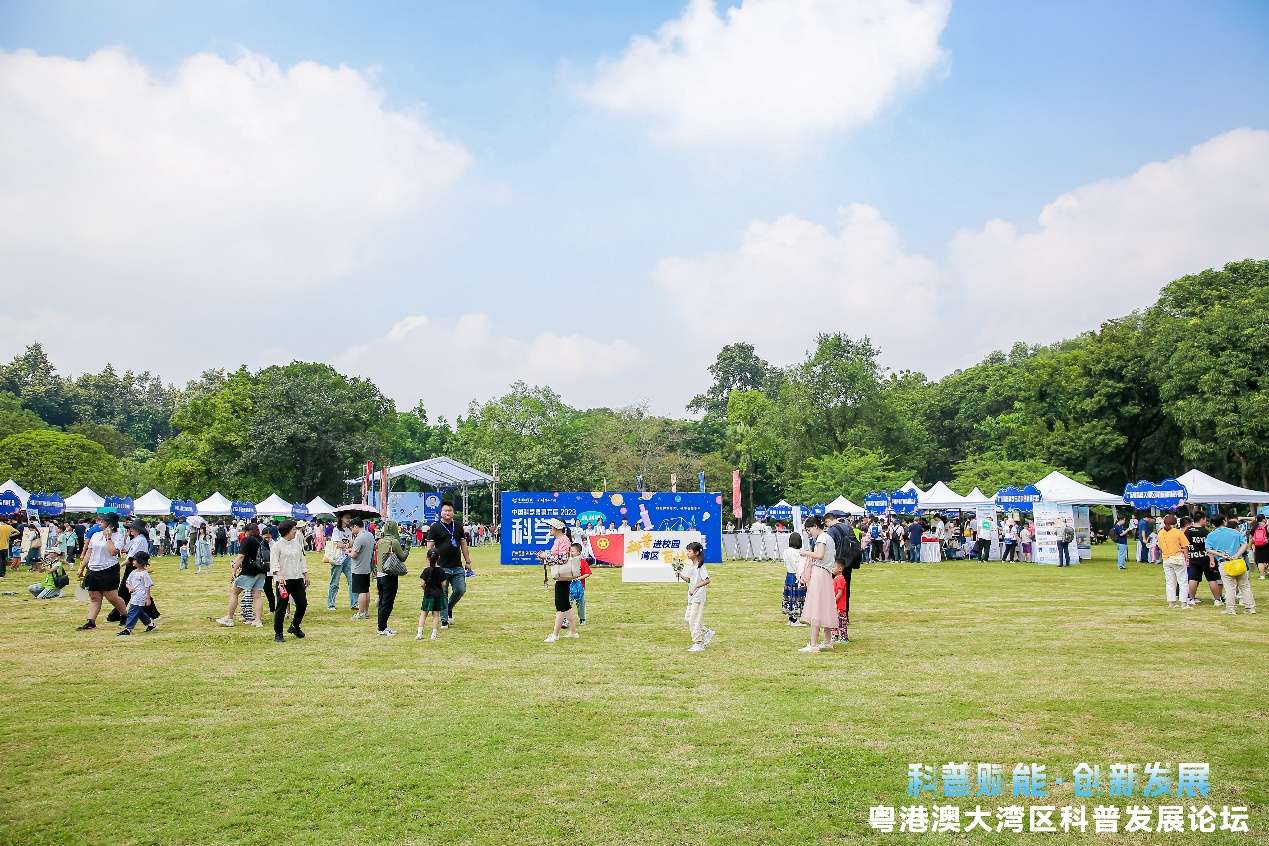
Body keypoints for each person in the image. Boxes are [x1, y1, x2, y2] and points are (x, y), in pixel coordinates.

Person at [76, 514, 128, 631]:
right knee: (94, 597)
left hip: (109, 569)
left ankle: (124, 615)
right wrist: (81, 567)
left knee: (112, 597)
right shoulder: (95, 535)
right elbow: (89, 552)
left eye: (102, 521)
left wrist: (108, 538)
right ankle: (91, 621)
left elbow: (113, 552)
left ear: (110, 524)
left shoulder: (118, 536)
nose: (100, 522)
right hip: (93, 569)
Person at [427, 502, 473, 629]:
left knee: (460, 590)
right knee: (443, 592)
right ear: (441, 512)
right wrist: (430, 566)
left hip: (457, 566)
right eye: (445, 510)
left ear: (453, 512)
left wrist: (468, 561)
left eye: (450, 510)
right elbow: (430, 547)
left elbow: (463, 544)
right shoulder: (435, 527)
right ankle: (444, 620)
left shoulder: (458, 526)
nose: (447, 513)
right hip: (441, 566)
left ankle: (448, 608)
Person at [797, 516, 837, 653]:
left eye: (809, 530)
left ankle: (813, 644)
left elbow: (819, 555)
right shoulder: (828, 537)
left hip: (819, 573)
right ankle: (827, 641)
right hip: (826, 573)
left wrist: (805, 553)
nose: (809, 533)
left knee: (816, 606)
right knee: (825, 606)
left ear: (815, 526)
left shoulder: (822, 538)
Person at [1207, 515, 1257, 615]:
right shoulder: (1235, 532)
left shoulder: (1211, 535)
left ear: (1213, 524)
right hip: (1238, 561)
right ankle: (1250, 608)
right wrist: (1237, 554)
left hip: (1224, 562)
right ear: (1224, 521)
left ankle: (1230, 609)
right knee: (1245, 586)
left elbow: (1208, 549)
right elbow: (1244, 544)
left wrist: (1220, 554)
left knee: (1229, 587)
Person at [217, 523, 264, 627]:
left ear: (246, 531)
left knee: (234, 592)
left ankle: (229, 618)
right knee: (257, 596)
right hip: (261, 570)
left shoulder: (246, 540)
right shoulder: (261, 540)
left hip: (249, 571)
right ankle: (258, 620)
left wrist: (233, 571)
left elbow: (241, 557)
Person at [270, 518, 310, 642]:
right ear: (287, 531)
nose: (296, 531)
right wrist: (279, 575)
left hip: (297, 578)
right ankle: (278, 633)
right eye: (294, 529)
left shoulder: (297, 544)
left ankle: (295, 626)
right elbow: (274, 563)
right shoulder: (277, 546)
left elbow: (302, 560)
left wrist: (306, 574)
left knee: (302, 604)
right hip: (284, 581)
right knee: (281, 608)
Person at [375, 520, 409, 637]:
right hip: (389, 575)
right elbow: (403, 557)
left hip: (380, 574)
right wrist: (407, 546)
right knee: (388, 603)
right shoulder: (394, 541)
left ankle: (383, 626)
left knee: (382, 602)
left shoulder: (380, 541)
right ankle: (382, 628)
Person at [676, 541, 711, 652]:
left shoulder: (701, 566)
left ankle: (698, 643)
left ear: (696, 553)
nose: (687, 553)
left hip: (698, 597)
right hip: (691, 597)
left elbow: (707, 580)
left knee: (693, 620)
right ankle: (707, 632)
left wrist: (695, 587)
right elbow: (689, 580)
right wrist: (680, 574)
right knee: (688, 619)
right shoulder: (692, 566)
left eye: (689, 551)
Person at [1183, 514, 1222, 608]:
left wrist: (1187, 558)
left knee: (1193, 578)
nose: (1206, 522)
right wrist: (1212, 559)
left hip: (1193, 558)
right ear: (1202, 519)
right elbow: (1210, 548)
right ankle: (1217, 600)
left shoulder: (1187, 531)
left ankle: (1191, 599)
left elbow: (1185, 546)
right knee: (1212, 579)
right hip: (1206, 558)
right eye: (1205, 520)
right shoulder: (1205, 532)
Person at [117, 551, 157, 636]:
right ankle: (150, 624)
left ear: (140, 561)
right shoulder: (133, 572)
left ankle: (128, 629)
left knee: (132, 611)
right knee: (139, 611)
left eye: (135, 560)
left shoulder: (144, 574)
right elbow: (127, 582)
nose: (133, 561)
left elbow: (147, 586)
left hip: (141, 596)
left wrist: (148, 598)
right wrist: (129, 588)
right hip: (134, 595)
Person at [1156, 514, 1190, 608]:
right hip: (1177, 557)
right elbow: (1185, 547)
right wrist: (1187, 558)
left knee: (1170, 582)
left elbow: (1160, 546)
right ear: (1174, 523)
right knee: (1182, 581)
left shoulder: (1160, 533)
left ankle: (1171, 602)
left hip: (1166, 558)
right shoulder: (1178, 532)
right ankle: (1183, 603)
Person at [347, 519, 376, 621]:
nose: (351, 530)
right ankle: (366, 611)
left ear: (355, 526)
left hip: (358, 568)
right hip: (367, 566)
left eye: (351, 528)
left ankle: (361, 612)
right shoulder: (370, 535)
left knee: (361, 592)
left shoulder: (359, 538)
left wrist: (348, 553)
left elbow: (354, 555)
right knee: (366, 590)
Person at [416, 548, 447, 641]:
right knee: (436, 615)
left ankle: (419, 634)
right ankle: (433, 634)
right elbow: (444, 584)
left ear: (427, 558)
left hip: (428, 595)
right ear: (439, 558)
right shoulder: (441, 571)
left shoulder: (426, 570)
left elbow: (422, 584)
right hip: (438, 595)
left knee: (423, 614)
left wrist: (425, 589)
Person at [326, 515, 355, 611]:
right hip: (338, 558)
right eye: (347, 517)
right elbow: (338, 544)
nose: (349, 519)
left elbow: (351, 543)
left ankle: (354, 603)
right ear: (341, 518)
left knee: (352, 581)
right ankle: (331, 604)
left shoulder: (349, 530)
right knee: (335, 582)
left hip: (347, 557)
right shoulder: (336, 530)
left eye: (349, 518)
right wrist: (347, 545)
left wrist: (347, 545)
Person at [781, 532, 807, 626]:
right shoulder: (799, 552)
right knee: (797, 597)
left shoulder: (786, 551)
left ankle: (791, 618)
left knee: (790, 596)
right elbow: (799, 566)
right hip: (797, 576)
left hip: (789, 575)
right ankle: (795, 620)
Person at [569, 542, 592, 626]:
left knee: (581, 604)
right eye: (570, 551)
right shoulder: (568, 561)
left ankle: (582, 618)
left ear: (579, 552)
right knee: (568, 603)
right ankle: (566, 619)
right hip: (569, 586)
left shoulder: (583, 562)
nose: (571, 553)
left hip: (580, 587)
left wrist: (579, 578)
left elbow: (588, 573)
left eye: (573, 551)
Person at [831, 559, 848, 645]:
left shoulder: (840, 579)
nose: (832, 569)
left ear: (840, 569)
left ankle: (844, 637)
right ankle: (835, 635)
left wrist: (833, 601)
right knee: (834, 621)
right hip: (835, 606)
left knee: (841, 622)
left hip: (840, 606)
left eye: (834, 567)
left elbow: (840, 593)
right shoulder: (835, 578)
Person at [1252, 514, 1269, 580]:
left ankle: (1262, 576)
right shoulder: (1267, 527)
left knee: (1260, 561)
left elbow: (1251, 537)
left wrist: (1251, 545)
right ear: (1263, 519)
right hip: (1267, 545)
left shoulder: (1255, 527)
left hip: (1258, 546)